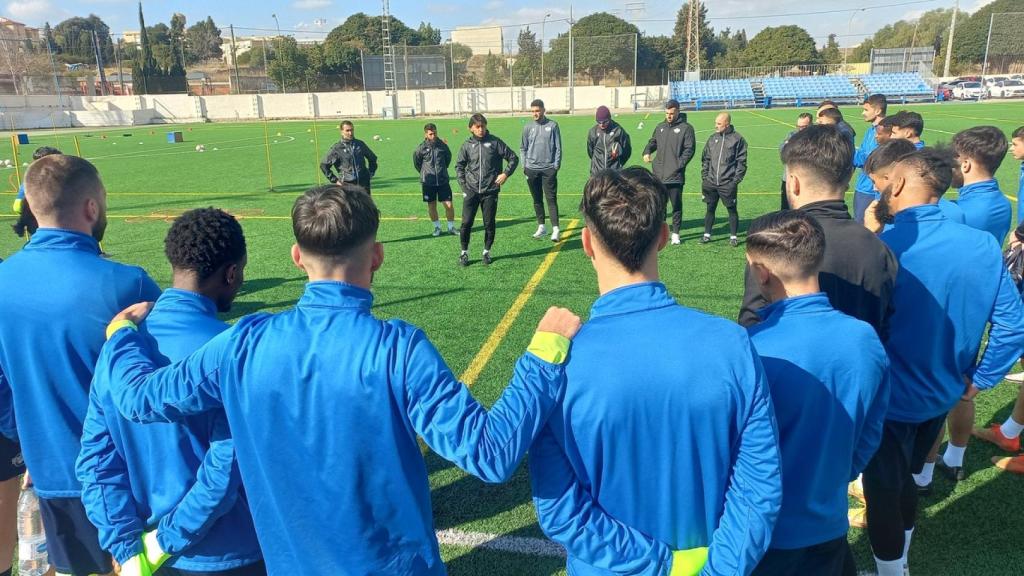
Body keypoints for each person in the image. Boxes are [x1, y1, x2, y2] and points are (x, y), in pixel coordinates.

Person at [100, 184, 581, 575]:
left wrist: (122, 334)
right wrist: (544, 354)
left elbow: (138, 398)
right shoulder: (398, 350)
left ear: (295, 256)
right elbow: (491, 454)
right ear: (376, 256)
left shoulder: (244, 342)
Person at [528, 167, 782, 576]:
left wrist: (661, 564)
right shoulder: (731, 345)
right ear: (663, 237)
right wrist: (715, 569)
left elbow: (562, 510)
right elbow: (759, 487)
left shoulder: (556, 366)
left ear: (587, 243)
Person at [76, 208, 264, 576]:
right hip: (226, 553)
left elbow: (96, 460)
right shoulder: (231, 352)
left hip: (145, 556)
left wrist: (125, 546)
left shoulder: (119, 344)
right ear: (232, 273)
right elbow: (227, 469)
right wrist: (164, 541)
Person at [863, 149, 1024, 576]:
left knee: (883, 489)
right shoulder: (981, 246)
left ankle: (892, 570)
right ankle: (902, 557)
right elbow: (1012, 324)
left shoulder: (883, 249)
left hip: (890, 399)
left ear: (897, 185)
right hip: (943, 392)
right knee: (909, 478)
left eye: (884, 182)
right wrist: (978, 380)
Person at [0, 155, 162, 576]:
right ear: (92, 207)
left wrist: (30, 441)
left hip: (49, 473)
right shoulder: (130, 283)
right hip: (125, 478)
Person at [746, 210, 888, 576]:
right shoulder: (864, 338)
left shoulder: (752, 350)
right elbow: (871, 430)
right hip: (829, 518)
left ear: (761, 271)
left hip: (767, 535)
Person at [739, 125, 897, 342]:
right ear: (849, 177)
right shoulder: (880, 247)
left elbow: (753, 324)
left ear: (793, 183)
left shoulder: (776, 240)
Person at [937, 126, 1014, 481]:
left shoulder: (961, 212)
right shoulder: (998, 201)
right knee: (961, 391)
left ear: (965, 163)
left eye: (953, 159)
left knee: (940, 392)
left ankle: (922, 472)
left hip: (952, 311)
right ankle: (954, 458)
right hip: (979, 303)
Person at [455, 113, 519, 266]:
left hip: (490, 191)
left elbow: (513, 158)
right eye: (477, 127)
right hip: (471, 191)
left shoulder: (495, 142)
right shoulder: (466, 145)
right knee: (466, 223)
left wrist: (505, 174)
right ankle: (464, 253)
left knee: (489, 223)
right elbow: (459, 166)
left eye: (483, 126)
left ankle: (486, 252)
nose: (481, 129)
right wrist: (464, 185)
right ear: (471, 128)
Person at [863, 141, 965, 234]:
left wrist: (871, 233)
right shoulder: (955, 211)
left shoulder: (888, 220)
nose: (874, 188)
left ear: (894, 177)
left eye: (874, 181)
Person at [642, 99, 696, 245]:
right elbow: (653, 142)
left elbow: (689, 150)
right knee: (660, 206)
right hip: (659, 175)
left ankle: (676, 234)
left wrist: (678, 165)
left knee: (676, 205)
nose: (669, 116)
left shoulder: (686, 128)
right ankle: (662, 232)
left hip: (675, 176)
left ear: (678, 111)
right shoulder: (660, 127)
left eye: (672, 113)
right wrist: (647, 151)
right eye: (667, 113)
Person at [700, 112, 747, 246]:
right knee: (710, 208)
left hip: (728, 184)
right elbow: (706, 159)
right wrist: (705, 177)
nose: (716, 126)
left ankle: (733, 236)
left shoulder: (738, 140)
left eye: (719, 123)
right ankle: (707, 234)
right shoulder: (712, 138)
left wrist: (734, 181)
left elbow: (741, 162)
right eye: (716, 123)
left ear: (727, 124)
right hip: (711, 182)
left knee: (731, 209)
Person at [521, 99, 563, 242]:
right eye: (532, 111)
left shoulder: (553, 125)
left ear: (544, 110)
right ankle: (541, 227)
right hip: (531, 169)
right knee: (537, 199)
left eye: (537, 111)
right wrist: (524, 166)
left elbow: (558, 147)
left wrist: (556, 165)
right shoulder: (527, 127)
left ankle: (556, 229)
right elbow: (523, 148)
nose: (535, 114)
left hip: (548, 169)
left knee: (551, 199)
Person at [412, 123, 456, 237]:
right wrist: (425, 173)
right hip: (428, 182)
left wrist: (441, 171)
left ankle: (451, 228)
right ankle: (437, 227)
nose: (434, 135)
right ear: (426, 134)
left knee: (449, 205)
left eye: (435, 133)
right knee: (432, 205)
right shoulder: (421, 148)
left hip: (442, 181)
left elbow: (448, 159)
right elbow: (417, 163)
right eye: (431, 134)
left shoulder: (443, 146)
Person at [11, 146, 62, 238]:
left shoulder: (28, 180)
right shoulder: (62, 179)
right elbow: (17, 206)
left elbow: (17, 207)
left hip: (38, 229)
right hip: (55, 228)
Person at [852, 95, 888, 224]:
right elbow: (862, 153)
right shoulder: (870, 130)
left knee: (865, 227)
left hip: (871, 189)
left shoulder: (884, 132)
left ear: (877, 111)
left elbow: (870, 160)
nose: (863, 113)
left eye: (866, 110)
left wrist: (846, 152)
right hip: (862, 185)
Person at [320, 120, 379, 194]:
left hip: (363, 184)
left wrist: (371, 173)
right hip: (347, 185)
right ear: (341, 132)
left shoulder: (360, 144)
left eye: (352, 130)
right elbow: (324, 165)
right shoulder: (337, 148)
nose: (350, 133)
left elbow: (373, 158)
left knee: (365, 205)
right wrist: (335, 180)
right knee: (349, 205)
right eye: (347, 130)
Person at [778, 113, 813, 210]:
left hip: (807, 180)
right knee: (785, 208)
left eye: (804, 127)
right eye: (798, 126)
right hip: (789, 179)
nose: (800, 129)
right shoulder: (791, 135)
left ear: (811, 125)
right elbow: (782, 152)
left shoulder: (815, 138)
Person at [587, 105, 631, 176]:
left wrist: (619, 163)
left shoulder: (618, 131)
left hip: (614, 173)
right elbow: (590, 152)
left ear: (609, 118)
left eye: (605, 122)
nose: (602, 124)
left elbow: (627, 150)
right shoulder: (593, 132)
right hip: (597, 172)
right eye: (599, 122)